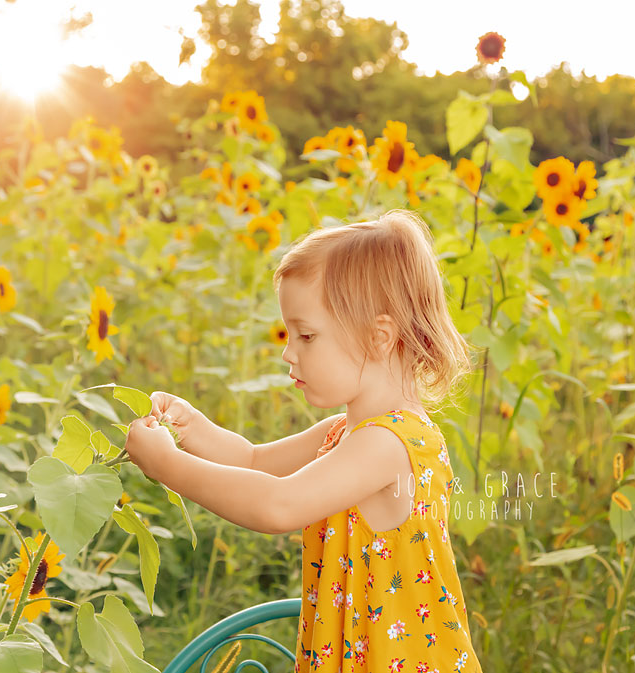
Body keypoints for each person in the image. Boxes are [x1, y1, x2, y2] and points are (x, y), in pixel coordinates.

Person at [124, 209, 483, 672]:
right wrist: (193, 429)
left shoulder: (389, 446)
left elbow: (278, 504)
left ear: (378, 337)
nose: (287, 351)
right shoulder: (343, 433)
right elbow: (254, 461)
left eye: (307, 335)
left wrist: (167, 466)